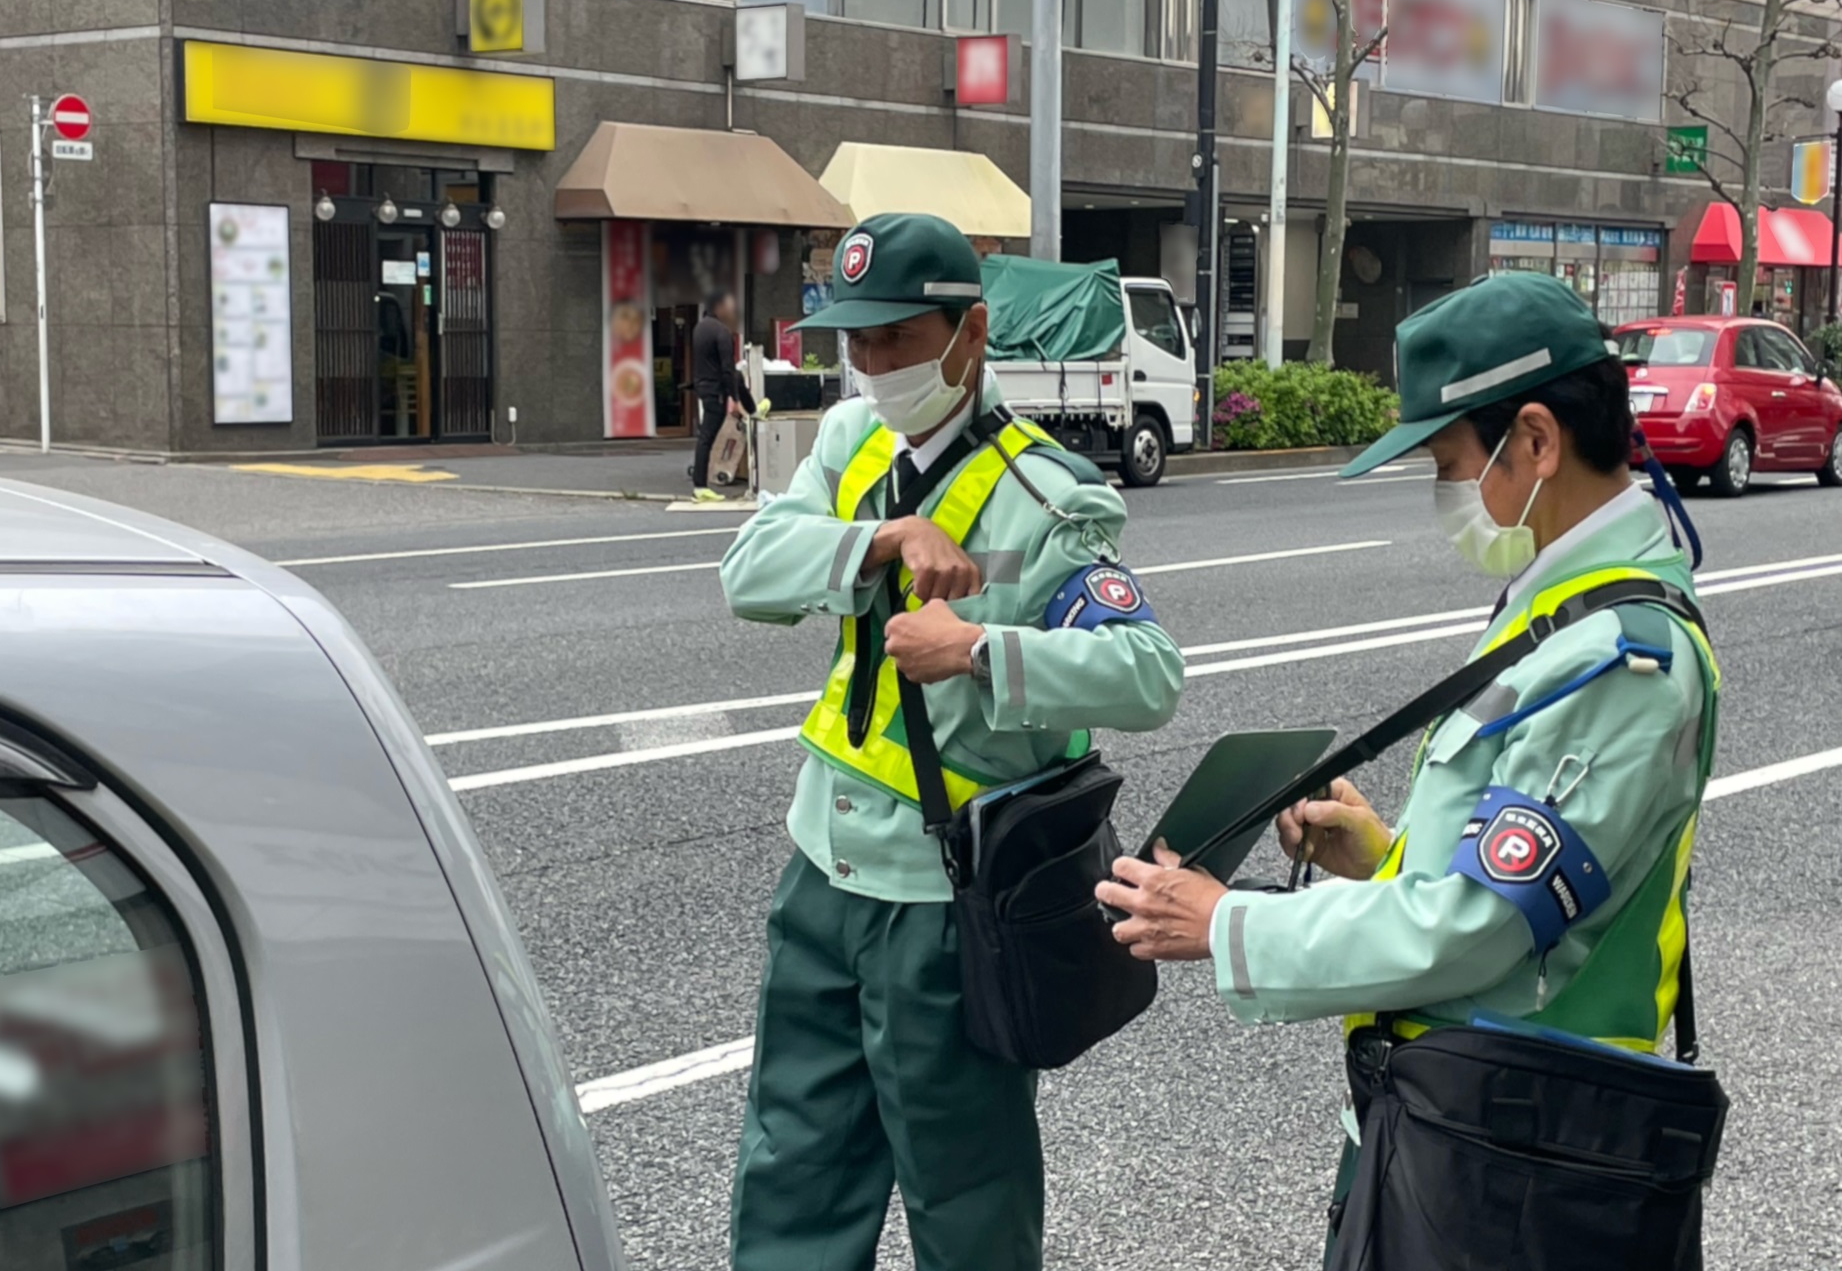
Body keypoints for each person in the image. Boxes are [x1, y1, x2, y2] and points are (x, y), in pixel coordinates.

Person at [1096, 272, 1721, 1265]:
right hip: (1467, 1123)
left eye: (1446, 458)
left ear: (1535, 441)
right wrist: (1385, 853)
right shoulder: (1563, 604)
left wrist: (1227, 921)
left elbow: (1480, 926)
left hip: (1524, 1163)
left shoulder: (1622, 661)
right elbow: (1510, 872)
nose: (1444, 490)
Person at [720, 213, 1185, 1271]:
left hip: (939, 899)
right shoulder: (849, 443)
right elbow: (747, 573)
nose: (874, 364)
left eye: (896, 338)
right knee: (791, 1167)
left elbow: (1145, 674)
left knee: (963, 1185)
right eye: (856, 342)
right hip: (821, 873)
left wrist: (980, 649)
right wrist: (883, 537)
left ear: (969, 332)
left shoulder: (1048, 494)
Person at [691, 290, 745, 501]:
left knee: (705, 436)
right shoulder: (721, 331)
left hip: (703, 386)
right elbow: (727, 369)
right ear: (719, 307)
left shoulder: (700, 328)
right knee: (707, 437)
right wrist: (734, 398)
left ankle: (700, 485)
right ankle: (700, 486)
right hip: (716, 391)